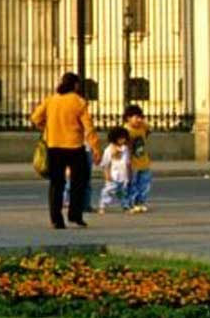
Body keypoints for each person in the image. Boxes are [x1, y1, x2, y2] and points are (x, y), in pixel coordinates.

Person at [30, 71, 99, 230]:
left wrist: (47, 128)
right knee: (79, 182)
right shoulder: (79, 102)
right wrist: (95, 148)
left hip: (54, 146)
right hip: (75, 147)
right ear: (75, 85)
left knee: (56, 184)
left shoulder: (51, 100)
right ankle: (75, 215)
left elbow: (35, 118)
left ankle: (56, 219)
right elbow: (89, 128)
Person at [122, 103, 152, 213]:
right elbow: (126, 148)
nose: (139, 120)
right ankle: (131, 203)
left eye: (140, 117)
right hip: (132, 163)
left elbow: (148, 130)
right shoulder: (126, 130)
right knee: (132, 184)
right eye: (136, 117)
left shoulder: (143, 127)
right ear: (128, 118)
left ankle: (140, 202)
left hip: (144, 161)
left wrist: (142, 121)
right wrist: (127, 162)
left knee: (144, 184)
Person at [99, 126, 133, 212]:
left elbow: (127, 162)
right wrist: (107, 174)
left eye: (124, 138)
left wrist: (129, 174)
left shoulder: (125, 149)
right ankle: (103, 205)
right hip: (113, 174)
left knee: (123, 192)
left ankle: (125, 205)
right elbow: (106, 164)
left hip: (123, 174)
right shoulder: (109, 150)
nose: (123, 140)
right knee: (109, 191)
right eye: (120, 138)